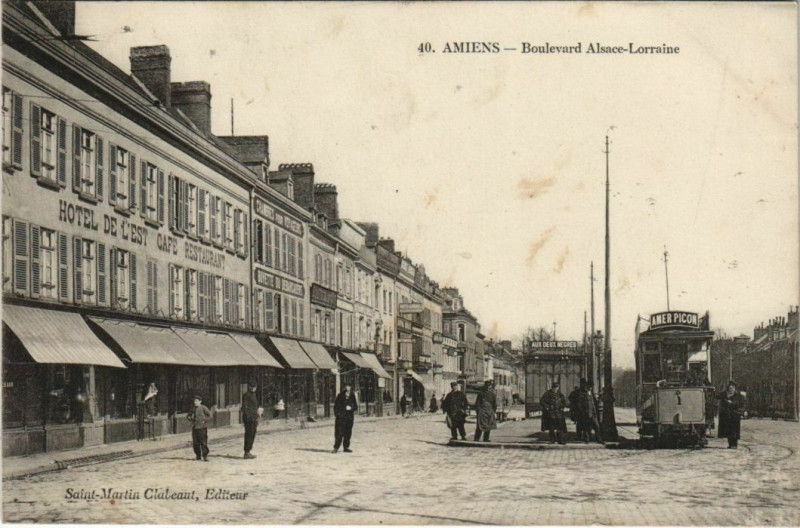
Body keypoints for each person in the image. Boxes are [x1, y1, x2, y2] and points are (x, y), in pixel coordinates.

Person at [717, 381, 745, 449]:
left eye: (732, 388)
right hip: (726, 415)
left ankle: (734, 444)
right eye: (729, 388)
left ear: (735, 388)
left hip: (735, 415)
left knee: (734, 430)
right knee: (728, 430)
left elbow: (741, 404)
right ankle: (730, 444)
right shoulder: (725, 394)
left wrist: (732, 403)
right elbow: (717, 396)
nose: (731, 389)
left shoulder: (738, 395)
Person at [333, 384, 358, 453]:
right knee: (339, 433)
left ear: (350, 388)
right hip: (341, 418)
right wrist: (338, 415)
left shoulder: (352, 395)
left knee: (348, 433)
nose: (348, 388)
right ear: (344, 387)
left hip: (349, 418)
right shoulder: (340, 395)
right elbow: (336, 406)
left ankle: (346, 447)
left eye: (349, 386)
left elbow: (356, 407)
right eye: (346, 386)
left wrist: (351, 408)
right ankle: (336, 447)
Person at [187, 395, 212, 461]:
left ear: (200, 401)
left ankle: (205, 455)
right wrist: (191, 419)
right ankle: (198, 455)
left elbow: (209, 415)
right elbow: (188, 416)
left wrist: (205, 420)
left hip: (202, 428)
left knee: (203, 442)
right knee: (195, 443)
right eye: (194, 401)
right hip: (195, 427)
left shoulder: (203, 408)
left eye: (196, 401)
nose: (195, 402)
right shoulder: (192, 408)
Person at [576, 379, 601, 443]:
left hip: (592, 413)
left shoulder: (590, 393)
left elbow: (593, 404)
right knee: (586, 427)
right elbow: (579, 404)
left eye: (591, 387)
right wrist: (583, 412)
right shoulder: (582, 393)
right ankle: (587, 439)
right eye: (589, 387)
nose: (590, 388)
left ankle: (598, 439)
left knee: (597, 427)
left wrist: (595, 412)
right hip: (585, 413)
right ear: (586, 386)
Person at [242, 380, 261, 459]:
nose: (253, 388)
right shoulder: (246, 395)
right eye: (252, 387)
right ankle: (247, 452)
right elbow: (244, 407)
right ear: (249, 387)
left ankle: (248, 451)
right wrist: (248, 416)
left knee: (252, 434)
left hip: (254, 417)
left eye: (254, 387)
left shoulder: (254, 395)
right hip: (249, 418)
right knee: (249, 434)